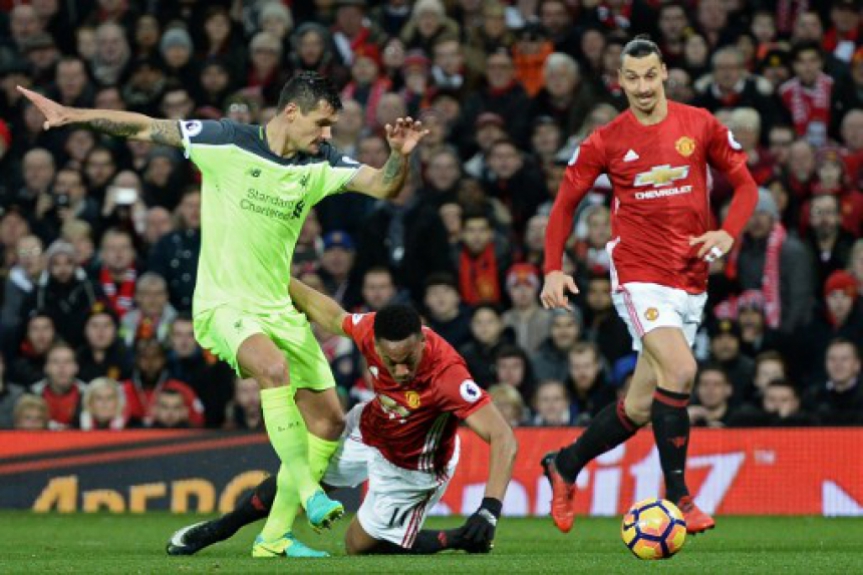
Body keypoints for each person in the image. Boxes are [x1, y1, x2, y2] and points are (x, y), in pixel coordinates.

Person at [18, 71, 427, 542]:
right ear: (291, 112)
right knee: (272, 370)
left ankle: (273, 540)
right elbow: (147, 127)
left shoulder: (319, 165)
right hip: (223, 305)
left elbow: (384, 187)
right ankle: (312, 494)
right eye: (321, 123)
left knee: (330, 421)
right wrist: (73, 115)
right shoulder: (225, 143)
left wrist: (399, 155)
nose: (327, 135)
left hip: (277, 307)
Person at [539, 36, 758, 535]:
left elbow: (746, 185)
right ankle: (679, 496)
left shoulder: (699, 123)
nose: (641, 87)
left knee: (640, 406)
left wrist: (727, 231)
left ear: (664, 74)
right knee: (680, 367)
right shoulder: (606, 139)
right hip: (639, 275)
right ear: (619, 81)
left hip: (690, 279)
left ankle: (564, 465)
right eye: (630, 78)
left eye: (649, 76)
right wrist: (553, 267)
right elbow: (564, 205)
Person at [166, 278, 517, 557]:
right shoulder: (367, 330)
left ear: (422, 344)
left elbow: (504, 438)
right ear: (375, 343)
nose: (399, 370)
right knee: (301, 473)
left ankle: (456, 538)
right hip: (370, 428)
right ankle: (222, 528)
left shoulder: (448, 375)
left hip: (413, 466)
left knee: (357, 545)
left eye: (408, 359)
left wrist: (489, 509)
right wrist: (275, 276)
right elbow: (331, 314)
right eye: (389, 360)